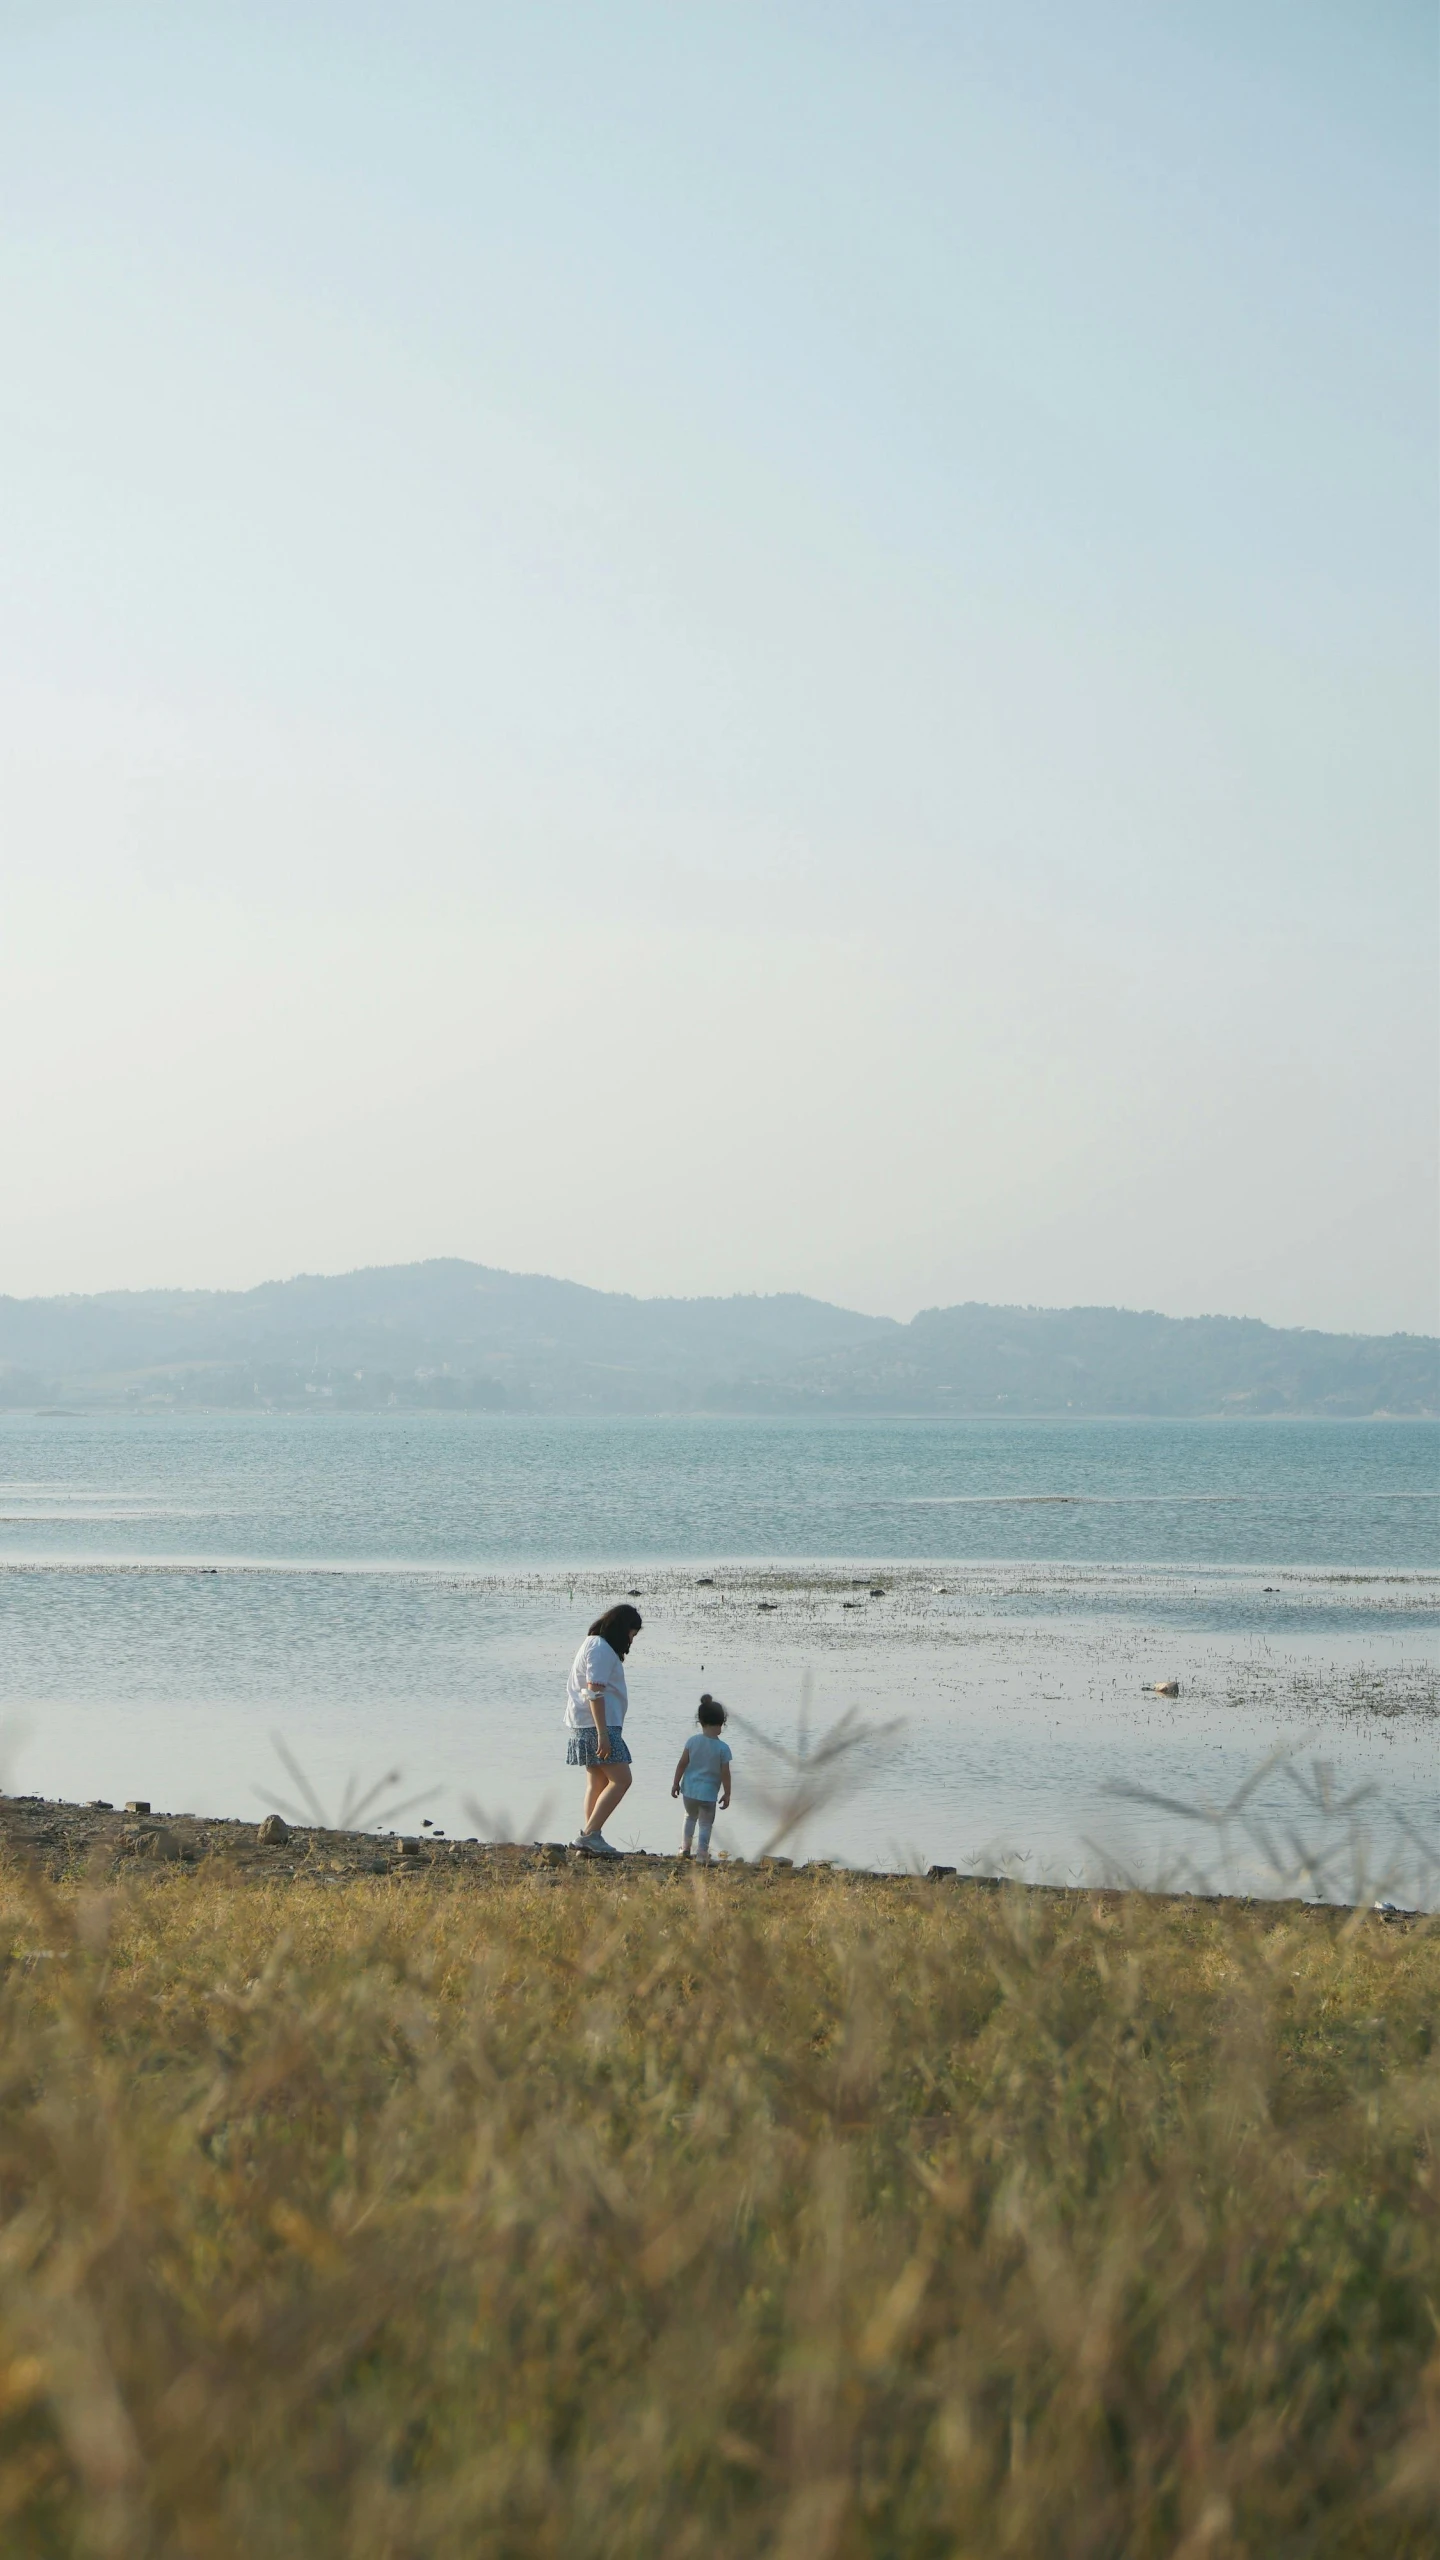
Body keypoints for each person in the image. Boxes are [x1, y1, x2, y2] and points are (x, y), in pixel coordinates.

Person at [566, 1603, 642, 1857]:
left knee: (597, 1782)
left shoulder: (594, 1644)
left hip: (590, 1723)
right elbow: (593, 1693)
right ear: (623, 1629)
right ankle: (589, 1836)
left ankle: (589, 1839)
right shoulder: (600, 1649)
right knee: (622, 1780)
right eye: (632, 1633)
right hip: (597, 1724)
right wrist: (603, 1734)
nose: (632, 1640)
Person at [671, 1693, 732, 1863]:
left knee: (690, 1817)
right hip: (708, 1794)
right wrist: (727, 1794)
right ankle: (702, 1854)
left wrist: (675, 1783)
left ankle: (684, 1849)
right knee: (705, 1824)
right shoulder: (723, 1748)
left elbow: (682, 1764)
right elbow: (726, 1774)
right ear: (722, 1723)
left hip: (689, 1791)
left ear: (701, 1722)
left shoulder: (692, 1742)